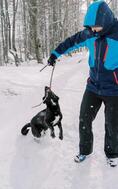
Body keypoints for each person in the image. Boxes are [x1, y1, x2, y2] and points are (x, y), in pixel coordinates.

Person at [47, 0, 118, 167]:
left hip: (114, 90)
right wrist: (55, 54)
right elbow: (71, 42)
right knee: (84, 119)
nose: (93, 30)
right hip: (93, 86)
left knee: (113, 125)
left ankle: (113, 153)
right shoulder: (89, 34)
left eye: (96, 26)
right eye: (91, 27)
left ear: (105, 21)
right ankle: (85, 150)